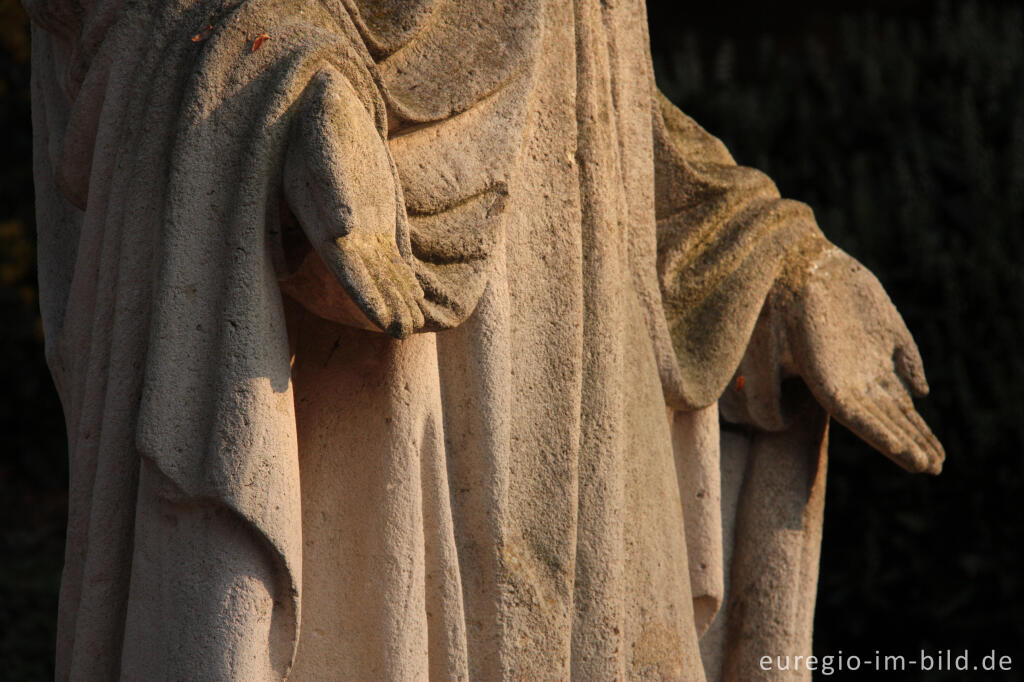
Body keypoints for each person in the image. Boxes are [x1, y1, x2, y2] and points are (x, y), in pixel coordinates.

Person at [26, 0, 942, 678]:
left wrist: (774, 262)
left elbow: (575, 87)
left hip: (584, 434)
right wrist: (284, 89)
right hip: (371, 390)